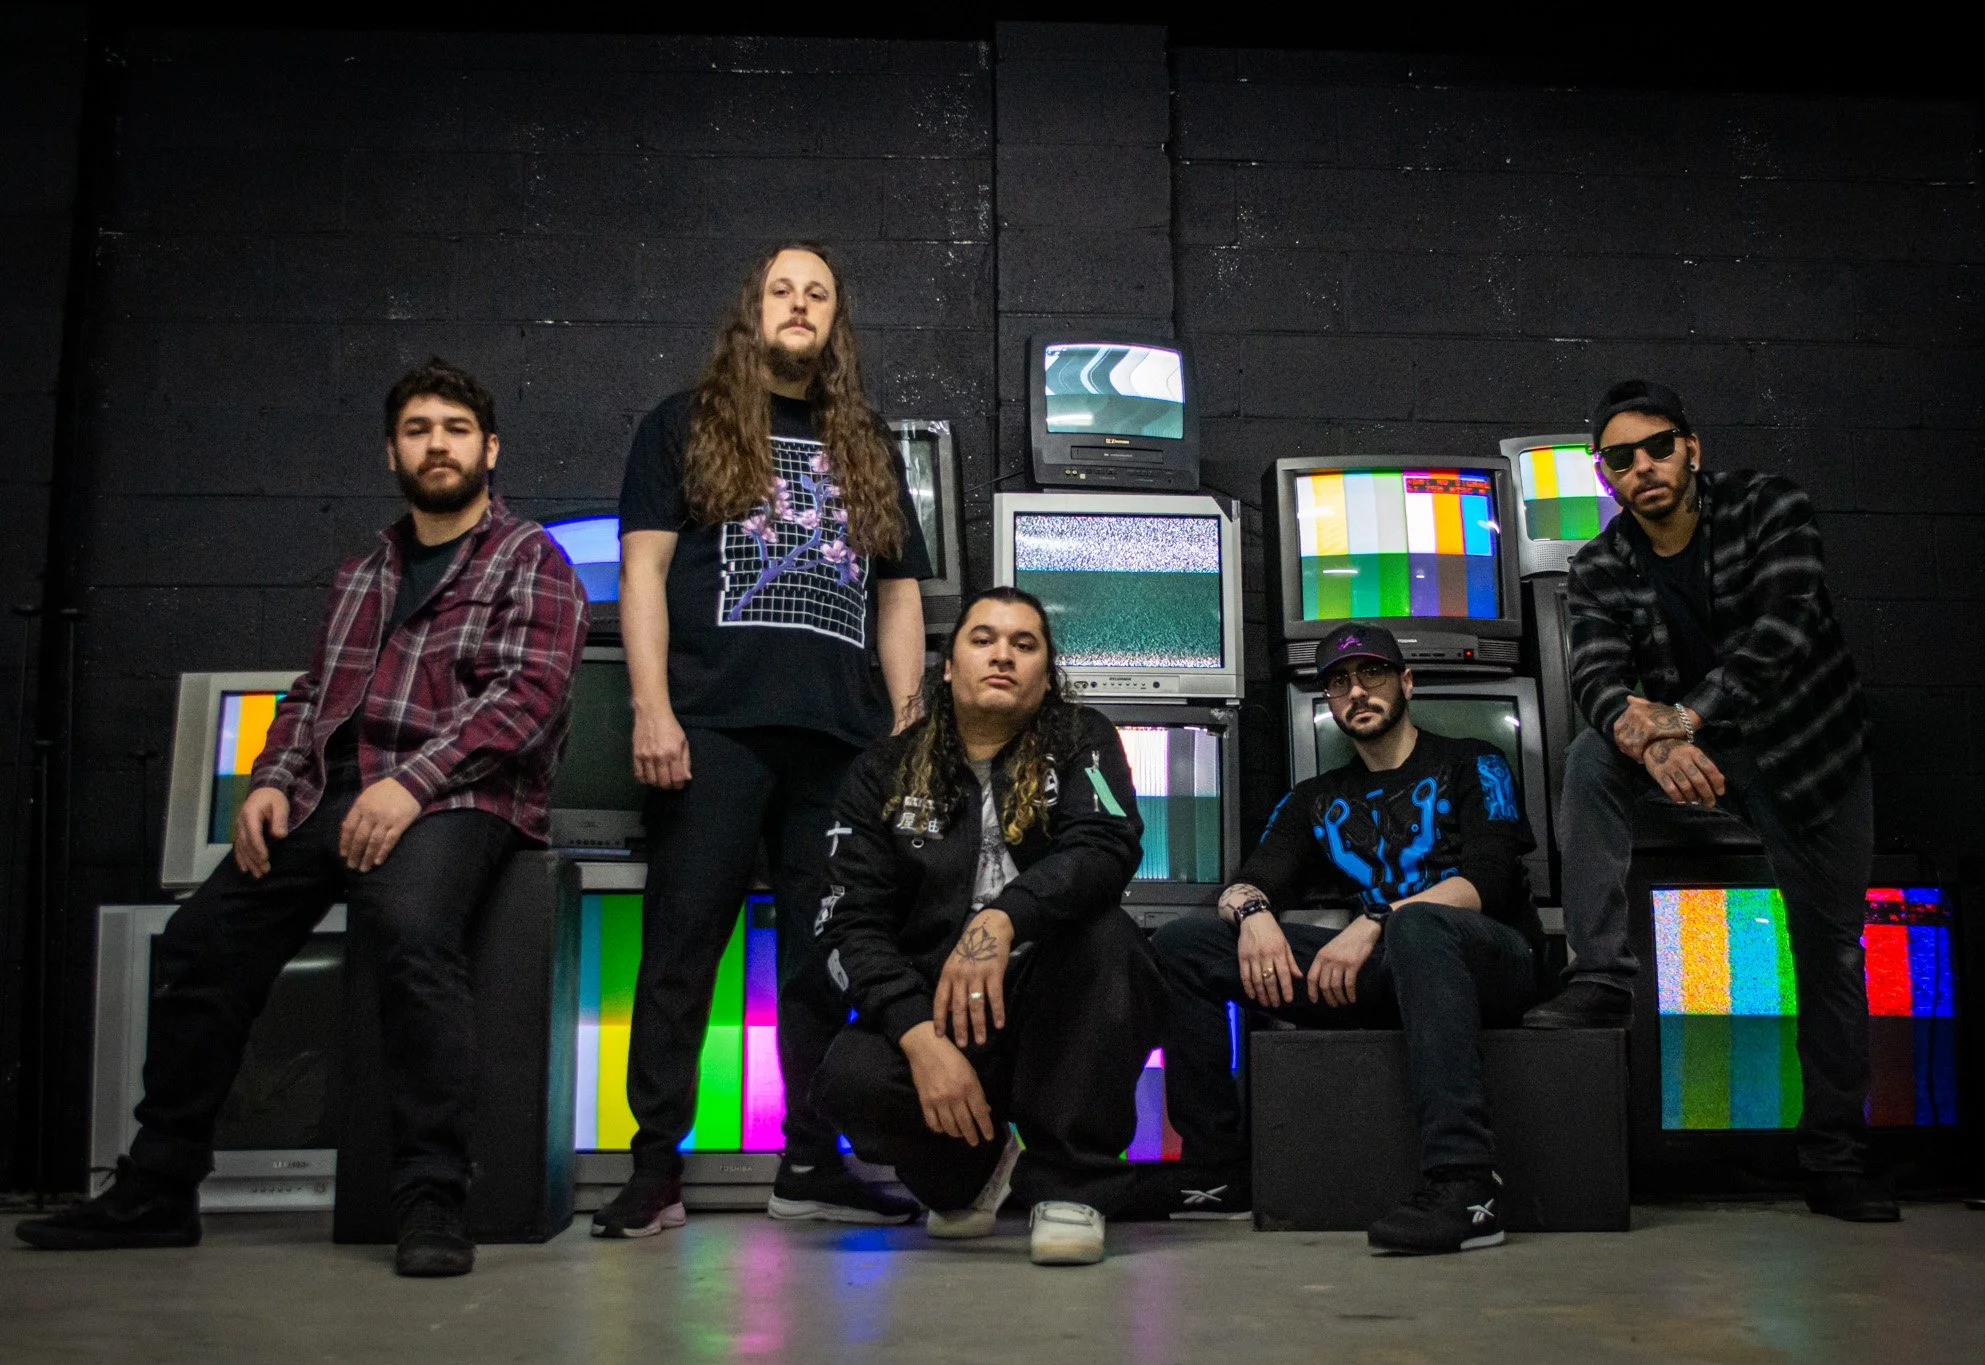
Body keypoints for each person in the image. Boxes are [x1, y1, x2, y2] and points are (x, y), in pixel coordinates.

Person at [16, 359, 589, 1276]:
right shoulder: (364, 570)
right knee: (203, 939)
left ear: (490, 448)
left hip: (464, 795)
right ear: (390, 450)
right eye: (416, 429)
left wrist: (412, 784)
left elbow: (528, 700)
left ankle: (433, 1196)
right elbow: (315, 692)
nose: (435, 443)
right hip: (336, 792)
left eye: (453, 427)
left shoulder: (532, 559)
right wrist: (273, 780)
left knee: (410, 930)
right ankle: (158, 1187)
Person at [595, 243, 930, 1237]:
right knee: (680, 951)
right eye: (782, 290)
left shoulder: (861, 439)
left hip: (836, 741)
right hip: (711, 730)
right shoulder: (683, 426)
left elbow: (900, 589)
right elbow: (643, 571)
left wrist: (907, 717)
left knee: (822, 957)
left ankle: (810, 1159)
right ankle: (653, 1170)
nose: (798, 305)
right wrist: (650, 706)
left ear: (835, 323)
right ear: (753, 311)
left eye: (817, 293)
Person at [1523, 379, 1898, 1223]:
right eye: (1622, 458)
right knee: (1590, 756)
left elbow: (1785, 631)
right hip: (1685, 749)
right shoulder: (1599, 564)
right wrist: (1649, 735)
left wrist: (1684, 717)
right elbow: (1594, 676)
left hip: (1810, 756)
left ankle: (1835, 1157)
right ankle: (1604, 976)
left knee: (1831, 951)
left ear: (1693, 448)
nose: (1644, 467)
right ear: (1605, 475)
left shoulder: (1771, 507)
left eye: (1658, 447)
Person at [1147, 623, 1542, 1255]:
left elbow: (1489, 881)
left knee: (1418, 924)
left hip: (1488, 960)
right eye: (1339, 682)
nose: (1356, 691)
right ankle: (1215, 1172)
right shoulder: (1315, 799)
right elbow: (1246, 883)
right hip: (1383, 969)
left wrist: (1379, 917)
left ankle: (1468, 1187)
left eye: (1373, 674)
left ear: (1406, 682)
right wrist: (1254, 917)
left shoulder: (1472, 760)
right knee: (1183, 945)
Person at [809, 587, 1165, 1267]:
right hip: (940, 1010)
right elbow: (847, 920)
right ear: (948, 665)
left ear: (1045, 671)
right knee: (847, 1077)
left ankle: (1069, 1184)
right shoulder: (882, 770)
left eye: (1024, 643)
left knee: (1109, 938)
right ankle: (970, 1175)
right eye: (983, 638)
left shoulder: (1082, 738)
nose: (1003, 654)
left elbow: (1107, 845)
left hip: (1054, 1004)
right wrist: (917, 1036)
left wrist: (1004, 917)